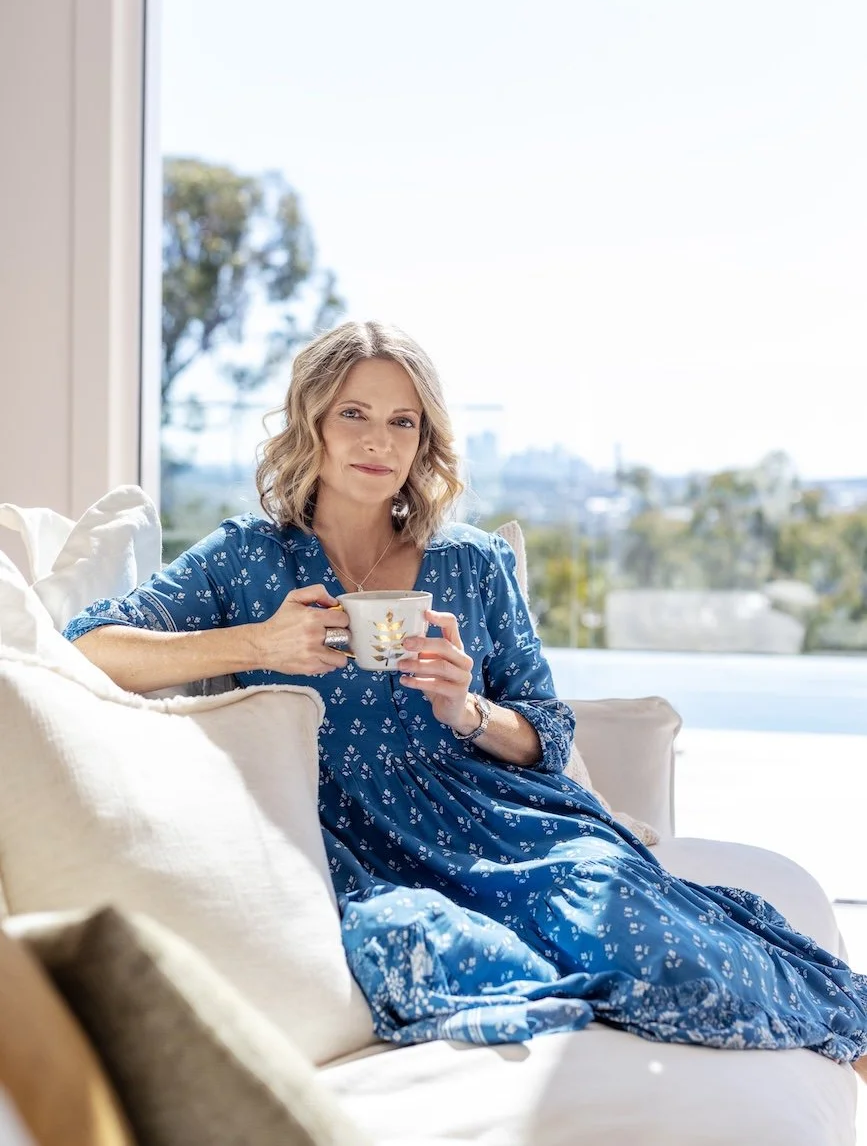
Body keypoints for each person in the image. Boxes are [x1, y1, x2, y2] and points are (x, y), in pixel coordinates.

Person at [65, 320, 867, 1062]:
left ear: (425, 440)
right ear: (312, 423)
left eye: (402, 421)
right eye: (353, 414)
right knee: (436, 947)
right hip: (344, 835)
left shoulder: (473, 563)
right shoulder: (247, 556)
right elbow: (86, 647)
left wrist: (467, 710)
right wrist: (258, 643)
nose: (378, 441)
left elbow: (547, 729)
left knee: (641, 932)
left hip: (495, 816)